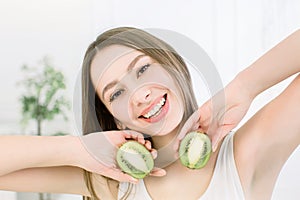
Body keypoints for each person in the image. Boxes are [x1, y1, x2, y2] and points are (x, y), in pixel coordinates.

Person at [0, 27, 299, 200]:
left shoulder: (244, 156)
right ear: (114, 118)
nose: (140, 95)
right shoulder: (115, 184)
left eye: (143, 69)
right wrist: (76, 148)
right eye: (116, 93)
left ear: (174, 66)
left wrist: (244, 87)